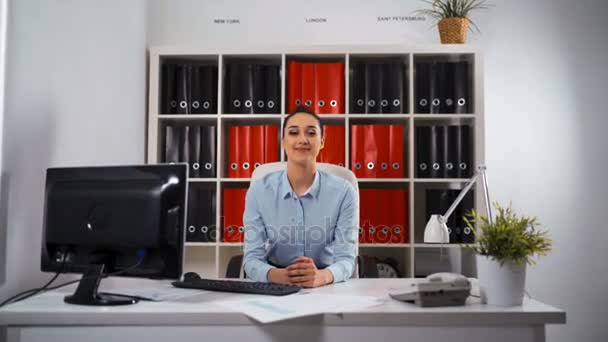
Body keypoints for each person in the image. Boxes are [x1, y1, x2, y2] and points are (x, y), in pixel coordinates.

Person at [242, 107, 358, 288]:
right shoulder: (259, 191)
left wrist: (321, 277)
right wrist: (278, 276)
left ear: (322, 142)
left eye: (311, 133)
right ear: (283, 142)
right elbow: (251, 258)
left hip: (325, 283)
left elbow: (346, 260)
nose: (302, 140)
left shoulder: (344, 192)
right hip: (276, 282)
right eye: (294, 132)